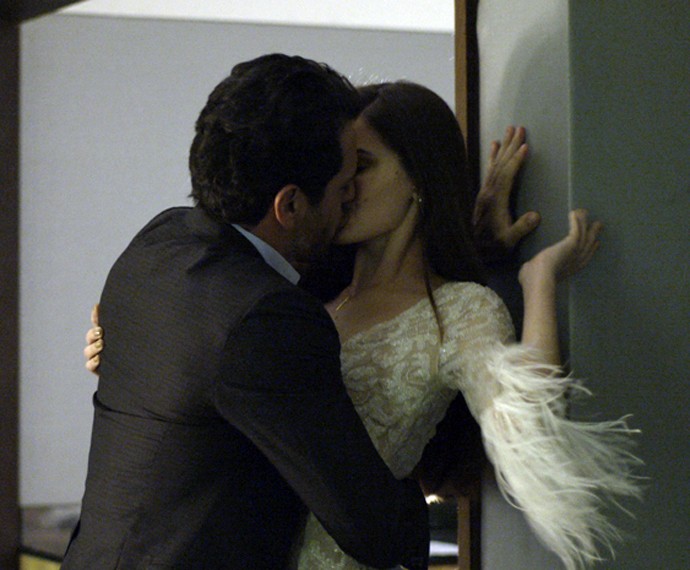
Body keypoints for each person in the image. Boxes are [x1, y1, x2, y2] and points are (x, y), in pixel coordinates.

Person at [85, 79, 642, 570]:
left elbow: (531, 430)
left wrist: (535, 278)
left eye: (363, 165)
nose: (345, 183)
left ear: (419, 175)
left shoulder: (462, 311)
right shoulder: (293, 297)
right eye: (342, 166)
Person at [63, 54, 434, 570]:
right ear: (290, 205)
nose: (351, 195)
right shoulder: (268, 320)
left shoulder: (159, 240)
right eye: (345, 180)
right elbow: (375, 529)